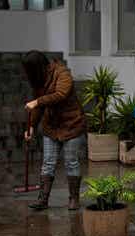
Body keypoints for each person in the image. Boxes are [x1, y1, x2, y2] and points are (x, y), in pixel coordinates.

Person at [22, 50, 87, 211]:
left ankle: (74, 199)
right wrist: (31, 127)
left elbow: (61, 94)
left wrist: (37, 101)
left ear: (38, 66)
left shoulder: (62, 73)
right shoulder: (39, 79)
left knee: (71, 162)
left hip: (72, 124)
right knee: (47, 163)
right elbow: (38, 108)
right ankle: (43, 200)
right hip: (51, 126)